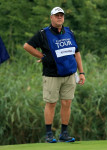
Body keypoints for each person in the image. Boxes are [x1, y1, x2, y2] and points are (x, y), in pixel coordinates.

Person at [23, 7, 85, 143]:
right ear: (51, 17)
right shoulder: (43, 33)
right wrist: (42, 56)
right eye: (56, 15)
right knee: (51, 103)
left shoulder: (69, 32)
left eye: (61, 15)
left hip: (69, 74)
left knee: (67, 102)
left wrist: (81, 72)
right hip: (52, 75)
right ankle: (49, 134)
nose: (59, 17)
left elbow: (77, 53)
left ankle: (64, 133)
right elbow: (27, 46)